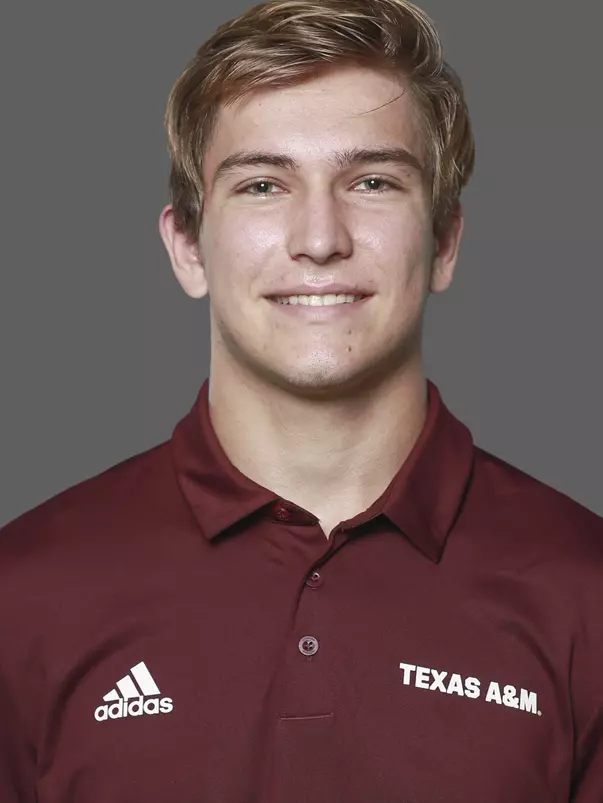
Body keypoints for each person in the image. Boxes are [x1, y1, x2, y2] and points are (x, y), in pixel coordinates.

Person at [0, 0, 601, 800]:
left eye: (373, 181)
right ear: (187, 246)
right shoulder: (25, 592)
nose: (319, 237)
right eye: (261, 184)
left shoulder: (584, 588)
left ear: (444, 241)